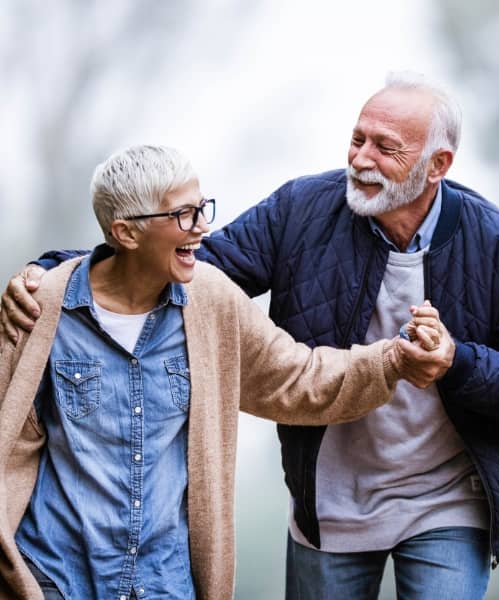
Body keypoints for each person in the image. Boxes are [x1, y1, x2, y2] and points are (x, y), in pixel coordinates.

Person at [3, 72, 499, 599]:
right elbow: (180, 264)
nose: (361, 158)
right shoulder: (302, 210)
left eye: (386, 148)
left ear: (438, 165)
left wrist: (458, 361)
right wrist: (57, 274)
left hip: (447, 498)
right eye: (357, 139)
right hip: (330, 501)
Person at [0, 145, 447, 600]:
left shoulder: (209, 300)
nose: (202, 227)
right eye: (183, 215)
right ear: (126, 233)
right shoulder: (39, 309)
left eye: (201, 208)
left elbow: (298, 377)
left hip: (163, 585)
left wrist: (392, 359)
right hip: (54, 580)